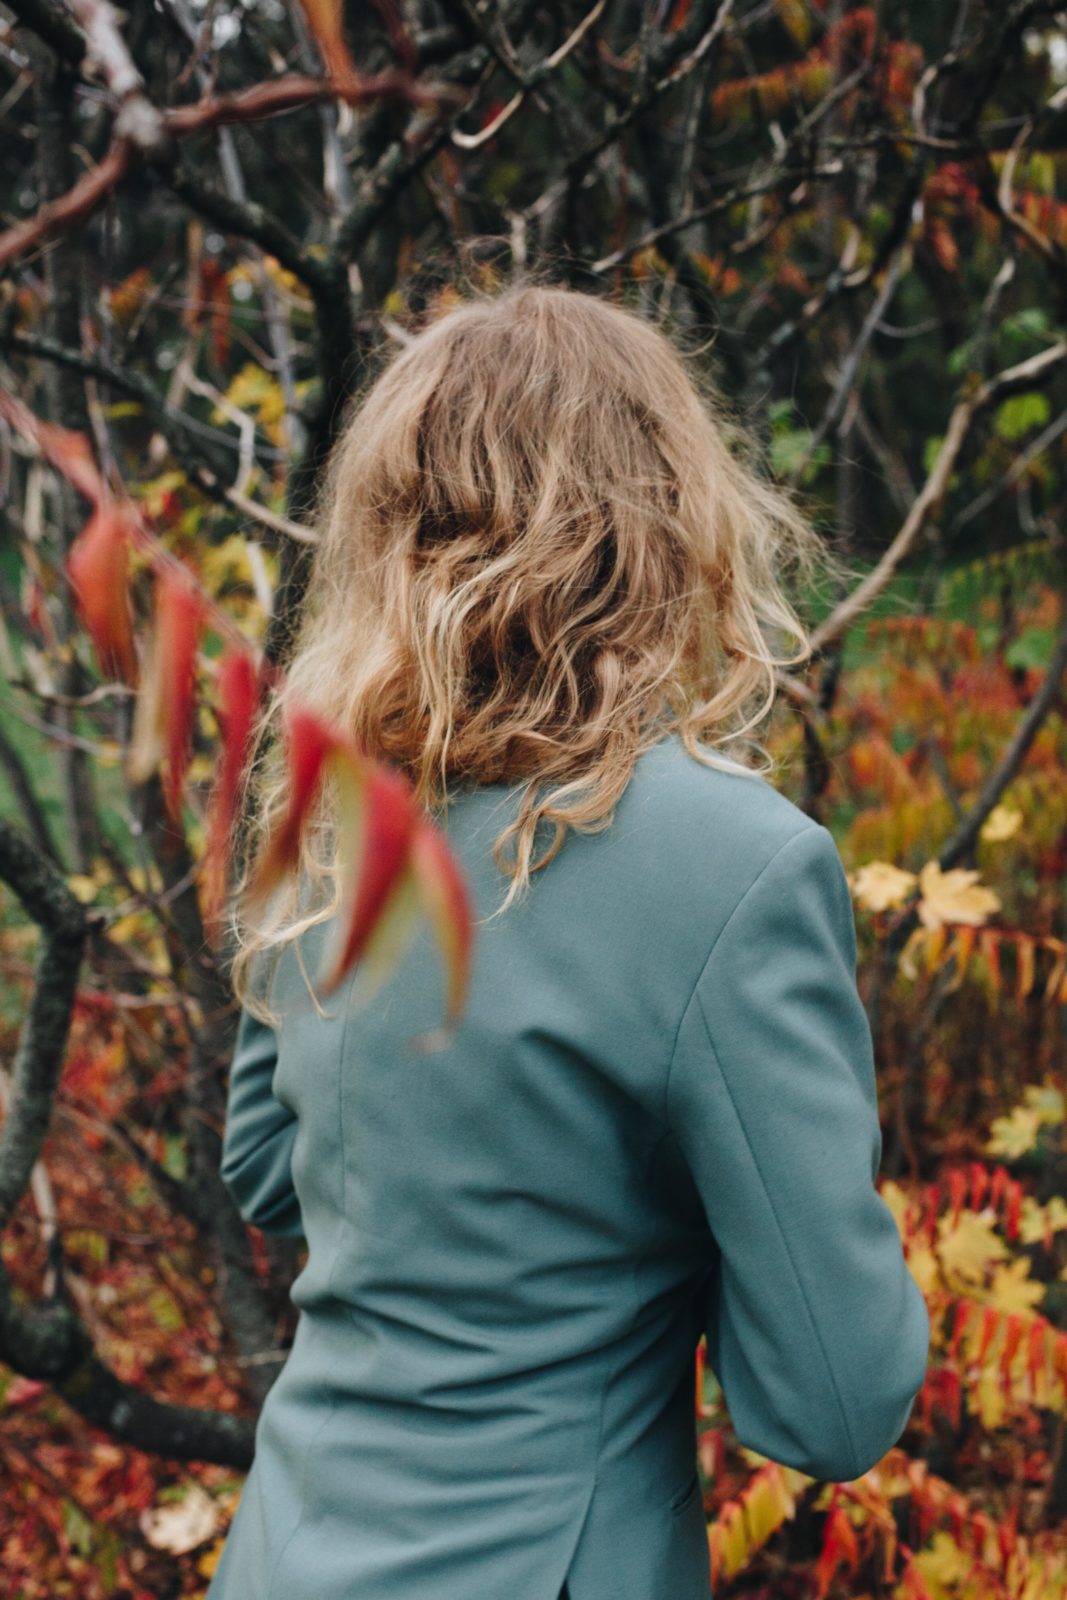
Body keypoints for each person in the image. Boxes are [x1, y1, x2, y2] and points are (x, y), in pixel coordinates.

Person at [207, 281, 930, 1600]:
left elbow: (266, 1169)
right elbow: (831, 1401)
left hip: (283, 1557)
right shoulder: (736, 866)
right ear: (666, 520)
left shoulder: (329, 820)